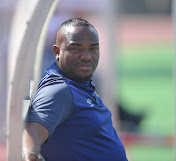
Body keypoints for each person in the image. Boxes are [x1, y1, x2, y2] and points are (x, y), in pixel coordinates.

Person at [23, 18, 128, 161]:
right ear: (57, 51)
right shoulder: (58, 90)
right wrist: (30, 154)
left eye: (93, 48)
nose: (86, 56)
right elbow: (32, 131)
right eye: (76, 48)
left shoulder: (80, 84)